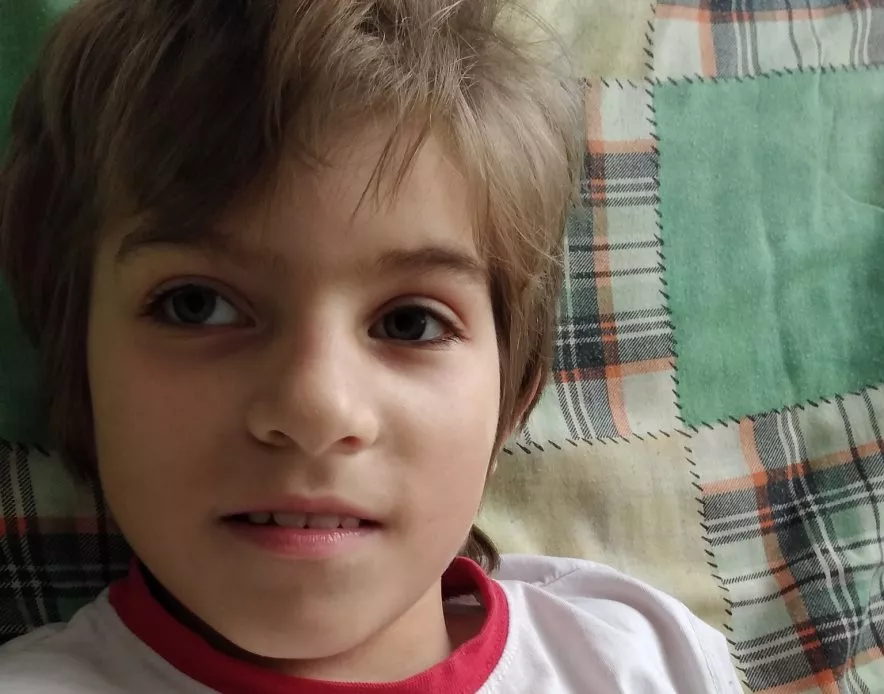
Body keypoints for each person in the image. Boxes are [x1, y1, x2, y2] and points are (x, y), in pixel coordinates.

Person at [0, 1, 741, 692]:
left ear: (515, 395)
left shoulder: (645, 660)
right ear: (77, 370)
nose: (316, 408)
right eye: (197, 306)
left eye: (410, 323)